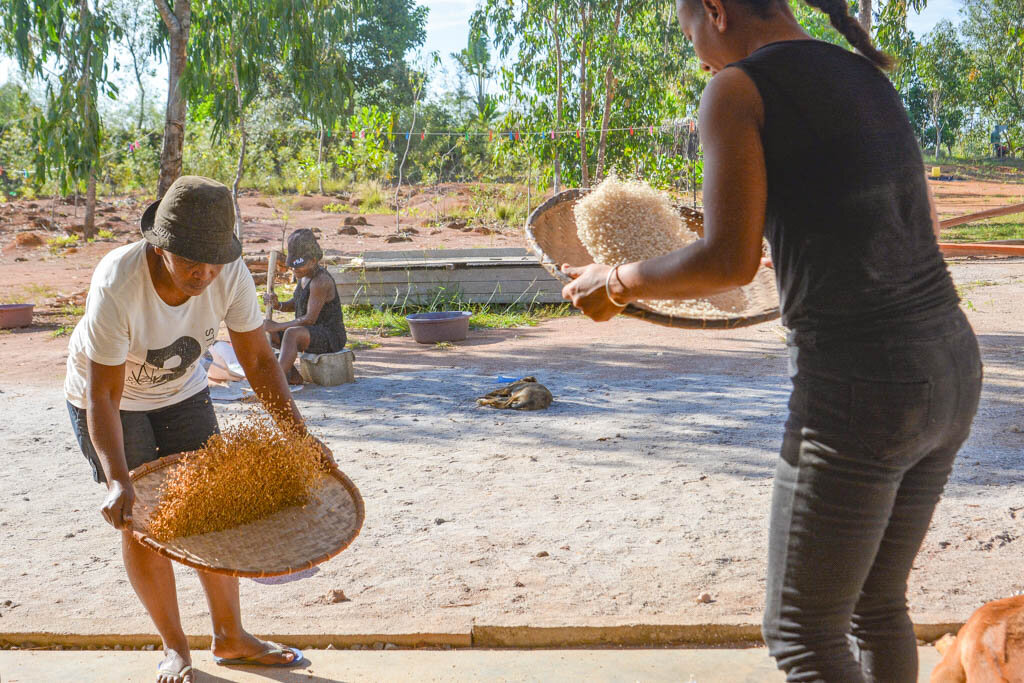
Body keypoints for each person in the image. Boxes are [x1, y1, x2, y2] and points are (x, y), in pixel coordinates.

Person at [561, 1, 982, 680]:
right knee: (876, 604)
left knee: (801, 633)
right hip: (953, 368)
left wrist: (616, 281)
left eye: (689, 31)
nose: (696, 54)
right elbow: (907, 225)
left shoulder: (736, 89)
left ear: (716, 11)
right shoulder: (864, 74)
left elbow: (727, 261)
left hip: (862, 386)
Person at [64, 176, 336, 683]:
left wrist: (297, 436)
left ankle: (230, 637)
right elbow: (104, 394)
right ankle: (175, 649)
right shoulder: (118, 283)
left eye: (214, 261)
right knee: (145, 519)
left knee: (213, 507)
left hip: (183, 392)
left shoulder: (227, 273)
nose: (204, 273)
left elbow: (256, 358)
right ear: (160, 246)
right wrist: (118, 479)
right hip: (108, 400)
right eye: (191, 261)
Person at [264, 228, 347, 385]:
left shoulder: (320, 281)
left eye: (299, 266)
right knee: (268, 334)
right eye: (293, 267)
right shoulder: (303, 276)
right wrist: (278, 305)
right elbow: (297, 303)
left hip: (329, 336)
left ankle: (276, 383)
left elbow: (309, 319)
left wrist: (277, 326)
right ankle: (292, 376)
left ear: (314, 260)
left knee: (291, 334)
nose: (294, 270)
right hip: (309, 334)